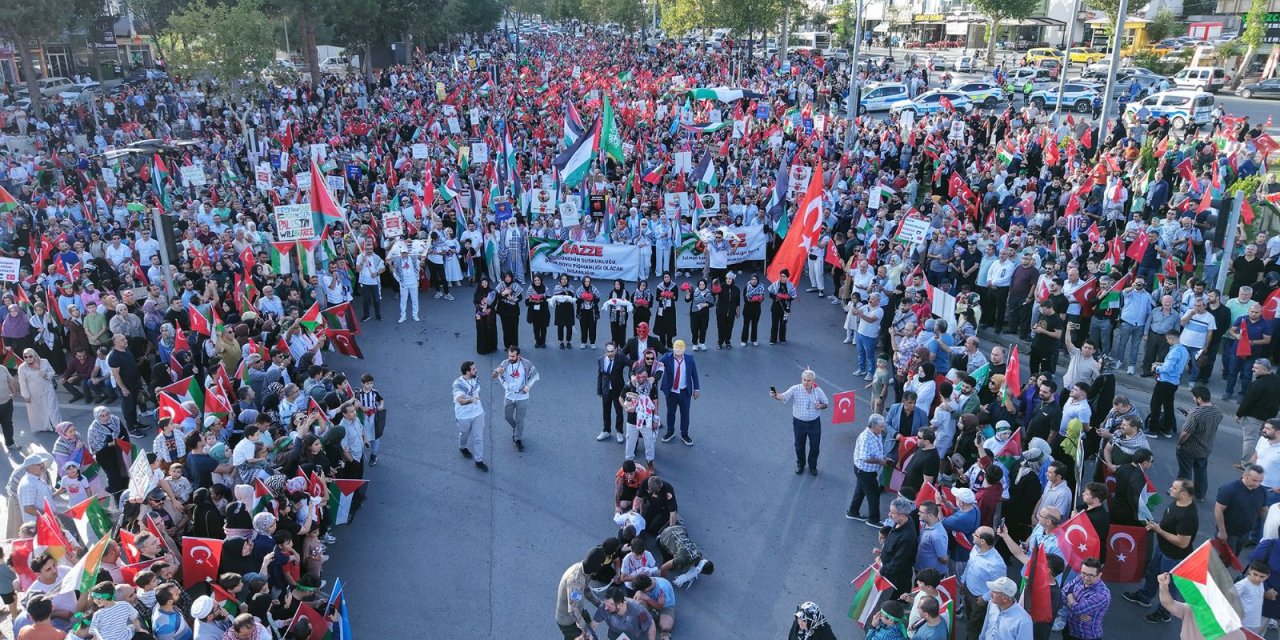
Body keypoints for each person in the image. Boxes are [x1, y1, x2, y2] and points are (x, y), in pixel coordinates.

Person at [1122, 478, 1200, 623]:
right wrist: (1156, 526)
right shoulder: (1177, 503)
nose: (1170, 489)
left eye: (1174, 488)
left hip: (1174, 557)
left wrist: (1159, 530)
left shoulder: (1188, 517)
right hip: (1163, 549)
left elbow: (1182, 543)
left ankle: (1164, 613)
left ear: (1184, 494)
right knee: (1152, 574)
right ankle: (1145, 596)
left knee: (1168, 586)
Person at [771, 368, 829, 475]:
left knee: (815, 446)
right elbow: (783, 396)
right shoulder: (795, 389)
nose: (806, 382)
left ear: (813, 381)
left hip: (814, 423)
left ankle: (812, 466)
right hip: (799, 423)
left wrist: (821, 405)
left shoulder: (818, 391)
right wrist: (775, 395)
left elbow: (826, 403)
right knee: (799, 445)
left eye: (808, 380)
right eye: (804, 379)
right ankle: (800, 464)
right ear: (801, 379)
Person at [1175, 385, 1222, 500]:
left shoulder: (1195, 414)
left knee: (1185, 472)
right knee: (1201, 472)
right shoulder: (1218, 411)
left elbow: (1185, 433)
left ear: (1199, 399)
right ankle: (1200, 495)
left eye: (1194, 397)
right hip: (1206, 448)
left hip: (1190, 449)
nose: (1193, 399)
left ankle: (1181, 492)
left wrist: (1180, 443)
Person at [961, 527, 1008, 640]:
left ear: (983, 541)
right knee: (970, 619)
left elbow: (1000, 585)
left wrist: (985, 598)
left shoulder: (996, 564)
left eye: (975, 534)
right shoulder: (976, 548)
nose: (973, 535)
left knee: (974, 627)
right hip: (969, 592)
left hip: (980, 599)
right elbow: (969, 565)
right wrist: (963, 580)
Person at [492, 345, 538, 450]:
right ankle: (516, 428)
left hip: (522, 397)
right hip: (509, 396)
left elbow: (535, 375)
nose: (510, 358)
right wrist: (496, 371)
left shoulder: (526, 364)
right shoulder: (505, 363)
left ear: (518, 356)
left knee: (520, 420)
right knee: (507, 417)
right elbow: (493, 377)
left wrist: (527, 386)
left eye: (513, 356)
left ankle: (518, 439)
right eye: (509, 356)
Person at [847, 414, 890, 526]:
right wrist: (880, 461)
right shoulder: (866, 438)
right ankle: (873, 519)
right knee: (874, 494)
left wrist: (883, 457)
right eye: (881, 426)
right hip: (865, 472)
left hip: (866, 471)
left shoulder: (876, 434)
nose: (883, 428)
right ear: (873, 426)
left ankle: (853, 511)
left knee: (860, 491)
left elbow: (877, 449)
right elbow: (865, 458)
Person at [1237, 358, 1280, 465]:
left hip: (1254, 417)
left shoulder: (1257, 384)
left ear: (1265, 369)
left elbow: (1248, 402)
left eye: (1256, 368)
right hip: (1269, 418)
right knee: (1263, 440)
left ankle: (1247, 464)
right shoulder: (1277, 381)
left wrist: (1239, 414)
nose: (1253, 369)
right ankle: (1259, 461)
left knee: (1250, 440)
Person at [1216, 464, 1265, 556]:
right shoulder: (1229, 489)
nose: (1257, 484)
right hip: (1229, 533)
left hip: (1245, 533)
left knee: (1234, 556)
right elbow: (1218, 510)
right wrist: (1222, 531)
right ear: (1245, 476)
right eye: (1254, 480)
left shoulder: (1261, 491)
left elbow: (1263, 510)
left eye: (1260, 481)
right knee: (1223, 559)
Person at [658, 340, 699, 446]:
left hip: (685, 391)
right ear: (673, 349)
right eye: (677, 349)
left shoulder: (690, 359)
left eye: (681, 349)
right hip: (671, 392)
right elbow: (657, 365)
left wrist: (696, 389)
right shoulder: (667, 358)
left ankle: (684, 434)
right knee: (670, 413)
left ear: (684, 350)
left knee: (685, 414)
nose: (678, 351)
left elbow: (694, 374)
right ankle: (670, 432)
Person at [1149, 331, 1189, 438]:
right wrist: (1161, 364)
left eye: (1167, 339)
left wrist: (1156, 368)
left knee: (1155, 405)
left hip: (1165, 381)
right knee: (1168, 406)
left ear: (1171, 339)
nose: (1167, 341)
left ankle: (1152, 430)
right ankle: (1166, 429)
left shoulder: (1174, 351)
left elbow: (1167, 368)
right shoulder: (1184, 350)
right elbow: (1176, 366)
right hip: (1174, 382)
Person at [1062, 557, 1110, 640]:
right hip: (1070, 629)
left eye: (1091, 575)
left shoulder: (1101, 594)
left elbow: (1077, 609)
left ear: (1099, 575)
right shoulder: (1080, 578)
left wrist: (1070, 594)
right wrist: (1073, 606)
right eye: (1083, 573)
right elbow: (1062, 594)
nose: (1086, 578)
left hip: (1086, 635)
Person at [881, 497, 920, 597]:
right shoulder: (901, 521)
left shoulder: (907, 537)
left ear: (903, 516)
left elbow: (898, 562)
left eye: (892, 513)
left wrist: (882, 571)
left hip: (895, 581)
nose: (889, 514)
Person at [17, 347, 62, 435]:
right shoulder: (22, 368)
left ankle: (58, 426)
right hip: (34, 392)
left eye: (30, 356)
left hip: (47, 388)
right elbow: (22, 382)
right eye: (25, 357)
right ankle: (45, 426)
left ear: (34, 355)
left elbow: (52, 372)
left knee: (53, 408)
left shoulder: (44, 361)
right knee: (40, 409)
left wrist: (46, 374)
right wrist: (25, 395)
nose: (28, 358)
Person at [453, 361, 488, 470]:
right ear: (467, 372)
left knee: (478, 438)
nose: (476, 370)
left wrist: (474, 400)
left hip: (478, 412)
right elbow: (461, 401)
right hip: (464, 415)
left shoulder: (475, 378)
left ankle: (479, 460)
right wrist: (471, 400)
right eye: (473, 369)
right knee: (464, 434)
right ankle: (462, 447)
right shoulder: (458, 384)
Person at [980, 576, 1033, 640]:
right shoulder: (992, 604)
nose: (990, 593)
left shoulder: (1024, 621)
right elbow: (986, 627)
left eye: (994, 591)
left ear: (1004, 598)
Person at [596, 341, 630, 443]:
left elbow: (631, 364)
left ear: (616, 350)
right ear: (605, 351)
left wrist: (632, 376)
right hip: (606, 389)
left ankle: (619, 432)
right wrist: (599, 391)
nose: (610, 353)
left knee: (618, 411)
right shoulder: (601, 360)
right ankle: (606, 430)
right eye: (608, 351)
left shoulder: (621, 358)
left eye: (612, 351)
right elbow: (600, 376)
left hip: (618, 390)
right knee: (606, 411)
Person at [631, 575, 676, 640]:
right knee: (637, 602)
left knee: (665, 627)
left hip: (665, 606)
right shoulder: (646, 581)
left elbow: (659, 606)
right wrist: (638, 596)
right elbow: (637, 594)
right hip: (651, 601)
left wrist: (647, 598)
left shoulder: (662, 589)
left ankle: (663, 631)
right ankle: (646, 619)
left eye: (641, 591)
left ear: (646, 589)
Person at [391, 244, 420, 323]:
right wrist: (400, 281)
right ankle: (403, 316)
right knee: (403, 300)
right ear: (400, 253)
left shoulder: (413, 259)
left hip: (413, 282)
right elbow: (394, 272)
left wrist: (417, 280)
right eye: (403, 253)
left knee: (415, 300)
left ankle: (415, 315)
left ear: (408, 253)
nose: (404, 254)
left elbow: (418, 269)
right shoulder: (397, 261)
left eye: (405, 253)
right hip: (404, 284)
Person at [496, 272, 524, 349]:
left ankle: (514, 345)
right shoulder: (500, 285)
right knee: (505, 329)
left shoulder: (516, 285)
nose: (507, 278)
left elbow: (520, 297)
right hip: (503, 311)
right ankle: (507, 345)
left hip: (513, 311)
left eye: (509, 277)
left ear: (511, 277)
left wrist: (513, 299)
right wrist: (503, 293)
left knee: (514, 328)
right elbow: (497, 296)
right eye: (506, 277)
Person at [769, 270, 797, 345]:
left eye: (784, 276)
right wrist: (776, 297)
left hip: (785, 308)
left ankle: (782, 338)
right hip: (775, 307)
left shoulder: (790, 285)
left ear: (787, 277)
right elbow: (770, 294)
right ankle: (773, 339)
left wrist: (787, 297)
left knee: (783, 323)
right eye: (781, 276)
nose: (782, 278)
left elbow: (793, 296)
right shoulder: (775, 284)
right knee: (774, 324)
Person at [474, 276, 498, 354]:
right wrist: (481, 309)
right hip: (480, 315)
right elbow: (475, 302)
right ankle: (483, 349)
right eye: (483, 283)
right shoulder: (477, 292)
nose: (485, 284)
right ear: (480, 284)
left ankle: (492, 347)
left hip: (490, 314)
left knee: (491, 329)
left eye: (486, 282)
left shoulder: (491, 292)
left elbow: (494, 302)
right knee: (482, 330)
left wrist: (489, 308)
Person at [525, 274, 551, 348]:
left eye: (538, 280)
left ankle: (543, 342)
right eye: (535, 280)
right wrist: (532, 300)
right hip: (534, 312)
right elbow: (526, 302)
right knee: (536, 328)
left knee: (543, 327)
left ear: (541, 280)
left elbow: (549, 299)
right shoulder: (530, 288)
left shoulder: (545, 288)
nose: (537, 282)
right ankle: (537, 341)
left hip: (543, 311)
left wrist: (541, 299)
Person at [741, 274, 766, 347]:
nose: (754, 281)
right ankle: (744, 340)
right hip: (747, 309)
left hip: (756, 309)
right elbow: (745, 298)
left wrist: (760, 298)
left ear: (757, 280)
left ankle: (754, 340)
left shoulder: (761, 288)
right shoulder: (747, 287)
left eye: (755, 279)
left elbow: (762, 298)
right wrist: (751, 299)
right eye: (752, 279)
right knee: (746, 325)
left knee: (755, 325)